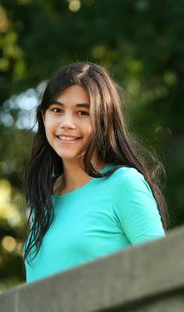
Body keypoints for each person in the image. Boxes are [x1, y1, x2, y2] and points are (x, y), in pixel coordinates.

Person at [22, 62, 167, 283]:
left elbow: (164, 274)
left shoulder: (124, 185)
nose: (67, 123)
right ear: (43, 117)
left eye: (82, 113)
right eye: (57, 110)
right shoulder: (41, 198)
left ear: (103, 120)